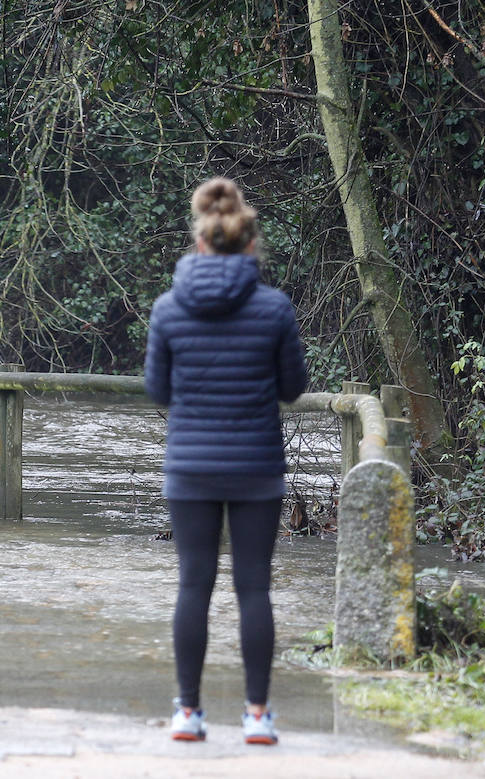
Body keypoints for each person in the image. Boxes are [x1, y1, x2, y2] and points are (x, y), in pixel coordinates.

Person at [143, 176, 308, 745]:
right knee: (254, 589)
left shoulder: (168, 308)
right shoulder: (274, 308)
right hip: (257, 467)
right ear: (250, 243)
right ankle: (257, 717)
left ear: (200, 241)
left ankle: (188, 713)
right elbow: (292, 387)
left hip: (189, 466)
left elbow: (158, 391)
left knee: (194, 586)